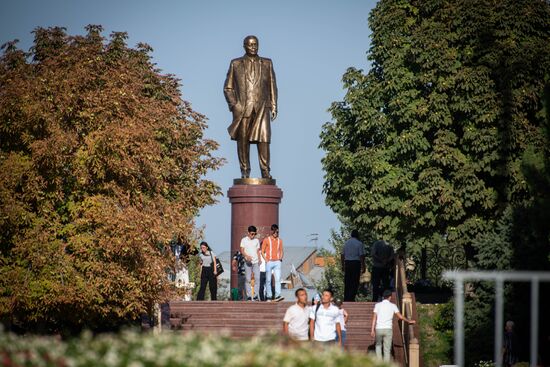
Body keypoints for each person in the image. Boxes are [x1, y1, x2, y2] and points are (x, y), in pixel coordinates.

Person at [223, 35, 278, 179]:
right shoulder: (235, 64)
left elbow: (272, 86)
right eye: (250, 45)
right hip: (243, 109)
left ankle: (265, 171)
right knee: (243, 141)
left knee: (264, 139)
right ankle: (245, 171)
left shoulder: (267, 63)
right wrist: (235, 105)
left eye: (256, 44)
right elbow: (228, 88)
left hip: (262, 108)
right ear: (244, 46)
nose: (253, 47)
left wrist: (274, 105)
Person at [370, 290, 415, 361]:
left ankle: (379, 363)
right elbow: (400, 316)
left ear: (383, 297)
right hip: (388, 329)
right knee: (387, 349)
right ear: (390, 297)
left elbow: (374, 318)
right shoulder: (393, 306)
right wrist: (408, 320)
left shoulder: (377, 305)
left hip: (379, 329)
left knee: (378, 346)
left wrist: (372, 330)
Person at [261, 224, 284, 302]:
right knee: (268, 280)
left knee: (277, 279)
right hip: (269, 262)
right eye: (274, 231)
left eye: (277, 231)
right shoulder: (266, 240)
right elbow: (262, 251)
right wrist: (266, 260)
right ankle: (269, 296)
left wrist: (280, 258)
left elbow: (281, 250)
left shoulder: (279, 240)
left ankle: (278, 295)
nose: (275, 233)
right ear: (271, 231)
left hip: (277, 262)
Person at [341, 230, 366, 302]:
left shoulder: (346, 243)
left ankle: (346, 298)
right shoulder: (359, 243)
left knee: (347, 281)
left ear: (351, 235)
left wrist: (343, 265)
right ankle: (352, 298)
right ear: (357, 235)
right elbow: (361, 256)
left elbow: (342, 255)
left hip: (348, 263)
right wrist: (363, 266)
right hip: (356, 263)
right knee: (355, 281)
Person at [240, 225, 262, 301]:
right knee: (248, 279)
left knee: (257, 278)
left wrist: (260, 259)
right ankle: (249, 296)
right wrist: (246, 256)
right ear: (248, 233)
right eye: (252, 234)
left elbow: (258, 251)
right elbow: (242, 250)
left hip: (255, 262)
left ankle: (255, 296)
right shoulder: (244, 240)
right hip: (247, 262)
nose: (253, 235)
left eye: (254, 234)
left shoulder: (256, 241)